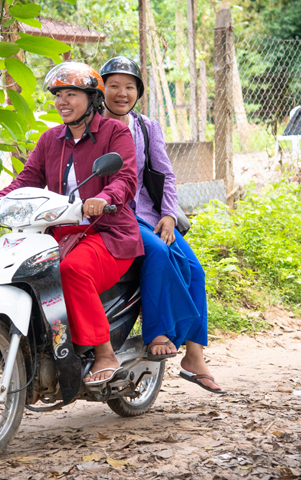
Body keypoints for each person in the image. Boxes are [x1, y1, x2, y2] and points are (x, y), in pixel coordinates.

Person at [0, 62, 143, 385]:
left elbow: (125, 179)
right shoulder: (50, 140)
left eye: (71, 94)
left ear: (92, 98)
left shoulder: (115, 133)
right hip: (60, 235)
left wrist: (104, 198)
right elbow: (26, 181)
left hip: (107, 233)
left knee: (71, 271)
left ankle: (104, 352)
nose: (63, 101)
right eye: (58, 95)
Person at [99, 56, 224, 394]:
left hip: (150, 213)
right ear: (102, 88)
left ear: (138, 91)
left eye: (129, 87)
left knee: (194, 269)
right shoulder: (92, 125)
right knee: (158, 254)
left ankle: (194, 357)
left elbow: (165, 174)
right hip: (115, 213)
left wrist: (169, 213)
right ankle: (158, 331)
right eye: (114, 86)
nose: (121, 93)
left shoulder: (146, 127)